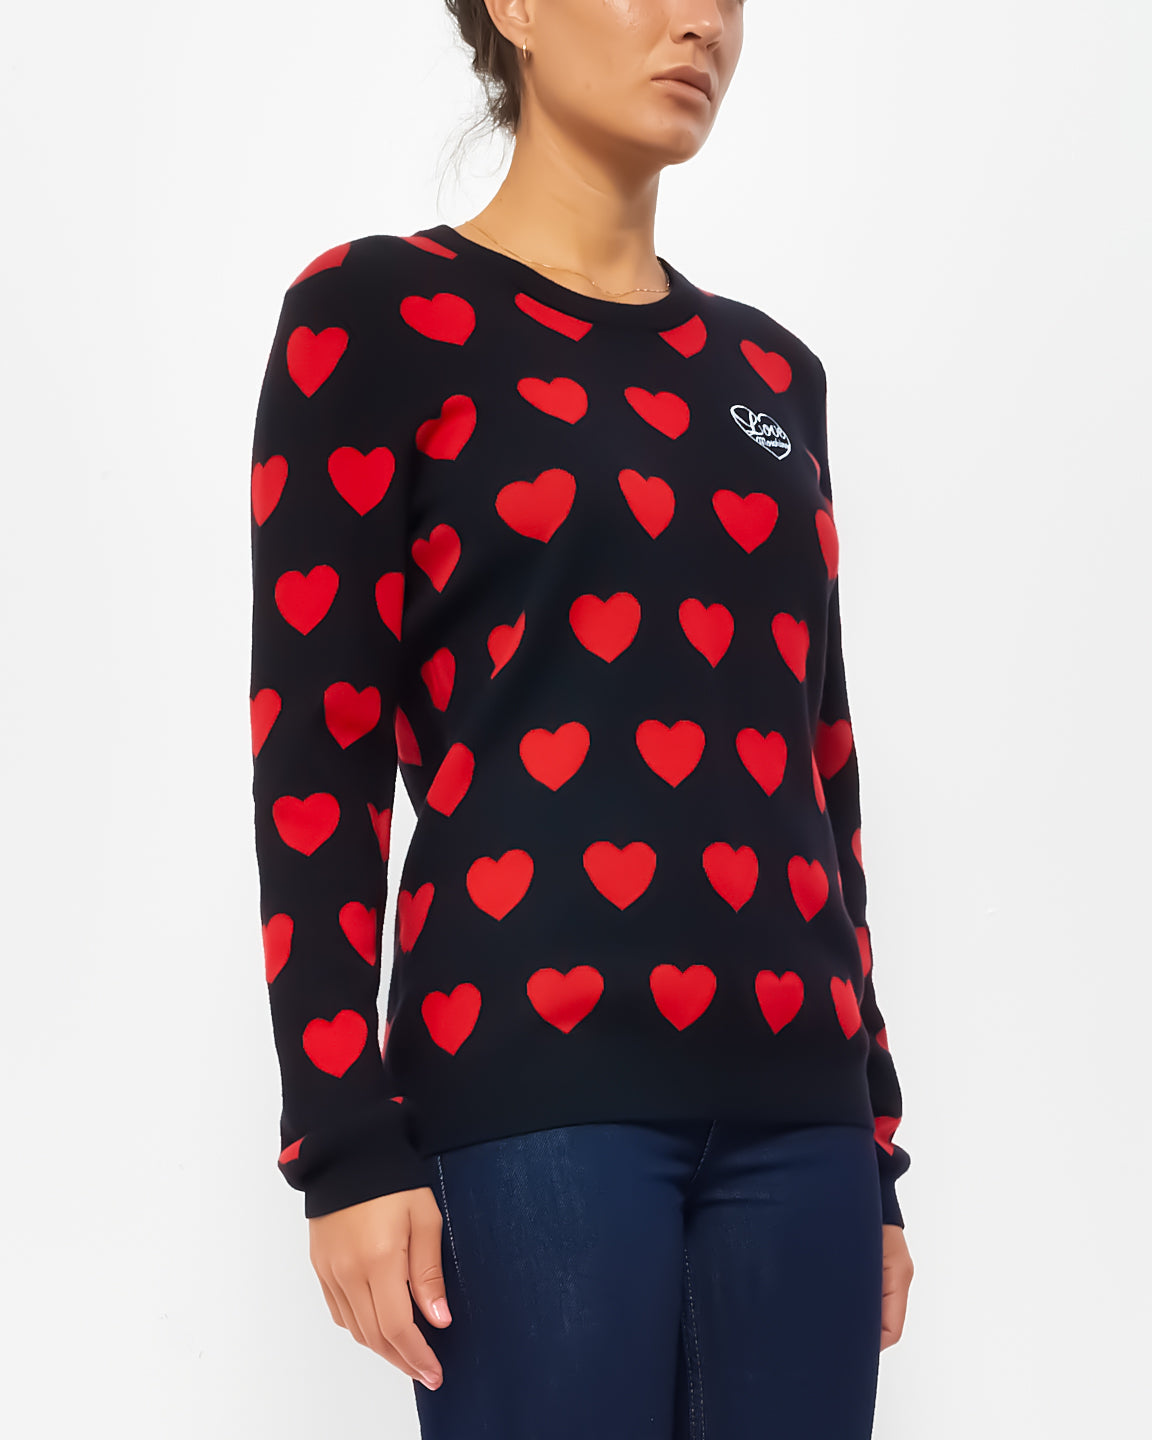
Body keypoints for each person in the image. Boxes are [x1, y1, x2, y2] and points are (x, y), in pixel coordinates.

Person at [248, 2, 915, 1435]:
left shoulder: (773, 378)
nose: (700, 22)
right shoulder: (375, 318)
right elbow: (314, 756)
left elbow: (820, 767)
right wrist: (342, 1143)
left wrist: (876, 1142)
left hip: (803, 1114)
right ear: (516, 9)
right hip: (526, 1093)